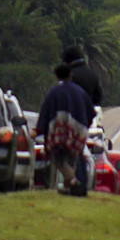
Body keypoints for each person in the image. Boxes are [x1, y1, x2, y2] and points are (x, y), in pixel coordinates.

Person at [33, 63, 95, 197]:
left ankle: (73, 182)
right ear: (70, 75)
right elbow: (91, 112)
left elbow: (45, 112)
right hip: (77, 131)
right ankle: (69, 189)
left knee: (59, 159)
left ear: (57, 76)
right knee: (72, 158)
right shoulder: (80, 91)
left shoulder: (54, 92)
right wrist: (84, 125)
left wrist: (38, 130)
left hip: (60, 132)